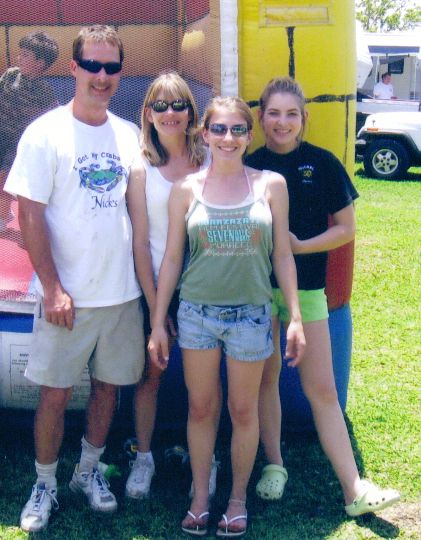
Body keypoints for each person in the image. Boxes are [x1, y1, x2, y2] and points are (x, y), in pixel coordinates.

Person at [4, 25, 145, 532]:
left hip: (121, 295)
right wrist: (53, 288)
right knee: (55, 394)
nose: (102, 76)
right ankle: (45, 483)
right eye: (92, 65)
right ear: (73, 68)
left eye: (112, 67)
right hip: (67, 297)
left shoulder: (128, 134)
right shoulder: (45, 132)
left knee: (107, 390)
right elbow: (29, 214)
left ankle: (87, 473)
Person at [148, 96, 305, 537]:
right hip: (197, 314)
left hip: (252, 316)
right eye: (219, 129)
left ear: (249, 136)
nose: (228, 138)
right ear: (205, 134)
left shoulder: (270, 185)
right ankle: (200, 498)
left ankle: (236, 499)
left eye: (238, 129)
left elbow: (282, 255)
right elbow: (173, 258)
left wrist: (294, 317)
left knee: (242, 409)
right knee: (201, 408)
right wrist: (158, 322)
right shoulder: (187, 190)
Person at [246, 76, 400, 516]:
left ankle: (354, 489)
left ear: (304, 118)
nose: (282, 122)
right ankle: (273, 465)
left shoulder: (324, 163)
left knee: (323, 389)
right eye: (273, 113)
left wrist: (299, 247)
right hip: (258, 290)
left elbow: (346, 228)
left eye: (291, 114)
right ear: (261, 118)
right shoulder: (249, 165)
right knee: (266, 380)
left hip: (308, 291)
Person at [125, 71, 218, 500]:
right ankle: (143, 457)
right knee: (152, 373)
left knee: (207, 381)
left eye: (178, 104)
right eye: (160, 105)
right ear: (148, 113)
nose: (169, 113)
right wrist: (156, 314)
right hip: (157, 287)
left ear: (191, 112)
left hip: (205, 285)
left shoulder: (211, 157)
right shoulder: (141, 168)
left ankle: (208, 458)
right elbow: (141, 244)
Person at [0, 31, 59, 232]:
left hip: (19, 140)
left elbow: (53, 115)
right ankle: (5, 211)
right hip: (2, 132)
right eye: (20, 53)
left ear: (40, 63)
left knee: (6, 176)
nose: (19, 58)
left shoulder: (43, 90)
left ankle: (2, 217)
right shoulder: (11, 75)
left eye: (25, 55)